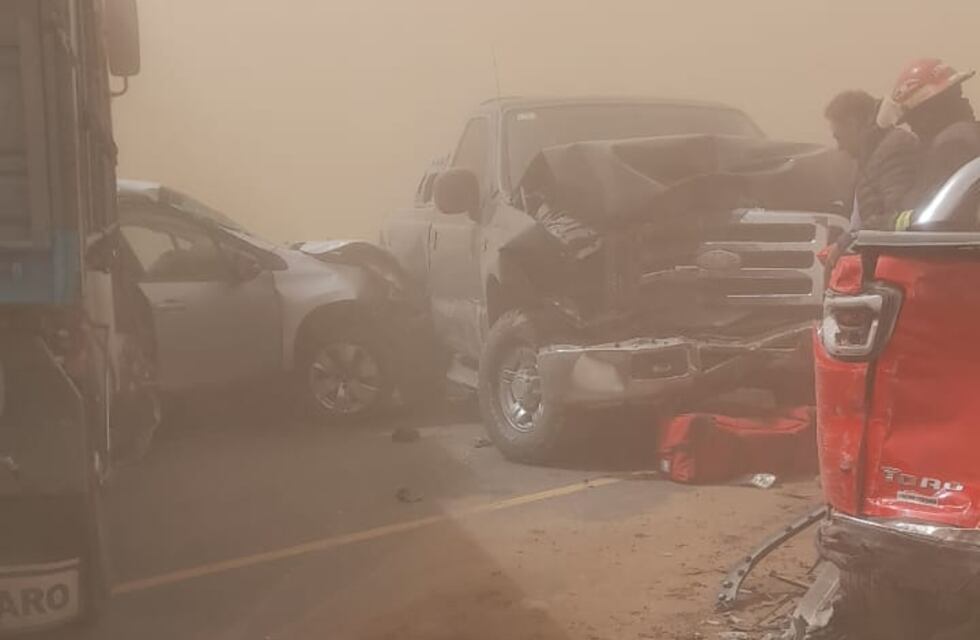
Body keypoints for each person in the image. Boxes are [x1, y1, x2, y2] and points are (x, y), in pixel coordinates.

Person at [877, 58, 980, 229]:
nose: (913, 128)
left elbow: (929, 215)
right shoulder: (971, 136)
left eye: (913, 119)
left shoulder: (952, 144)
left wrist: (883, 223)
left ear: (928, 112)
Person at [823, 90, 919, 263]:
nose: (839, 147)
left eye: (839, 137)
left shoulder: (894, 150)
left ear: (852, 124)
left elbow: (895, 218)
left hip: (895, 262)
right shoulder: (872, 154)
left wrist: (846, 241)